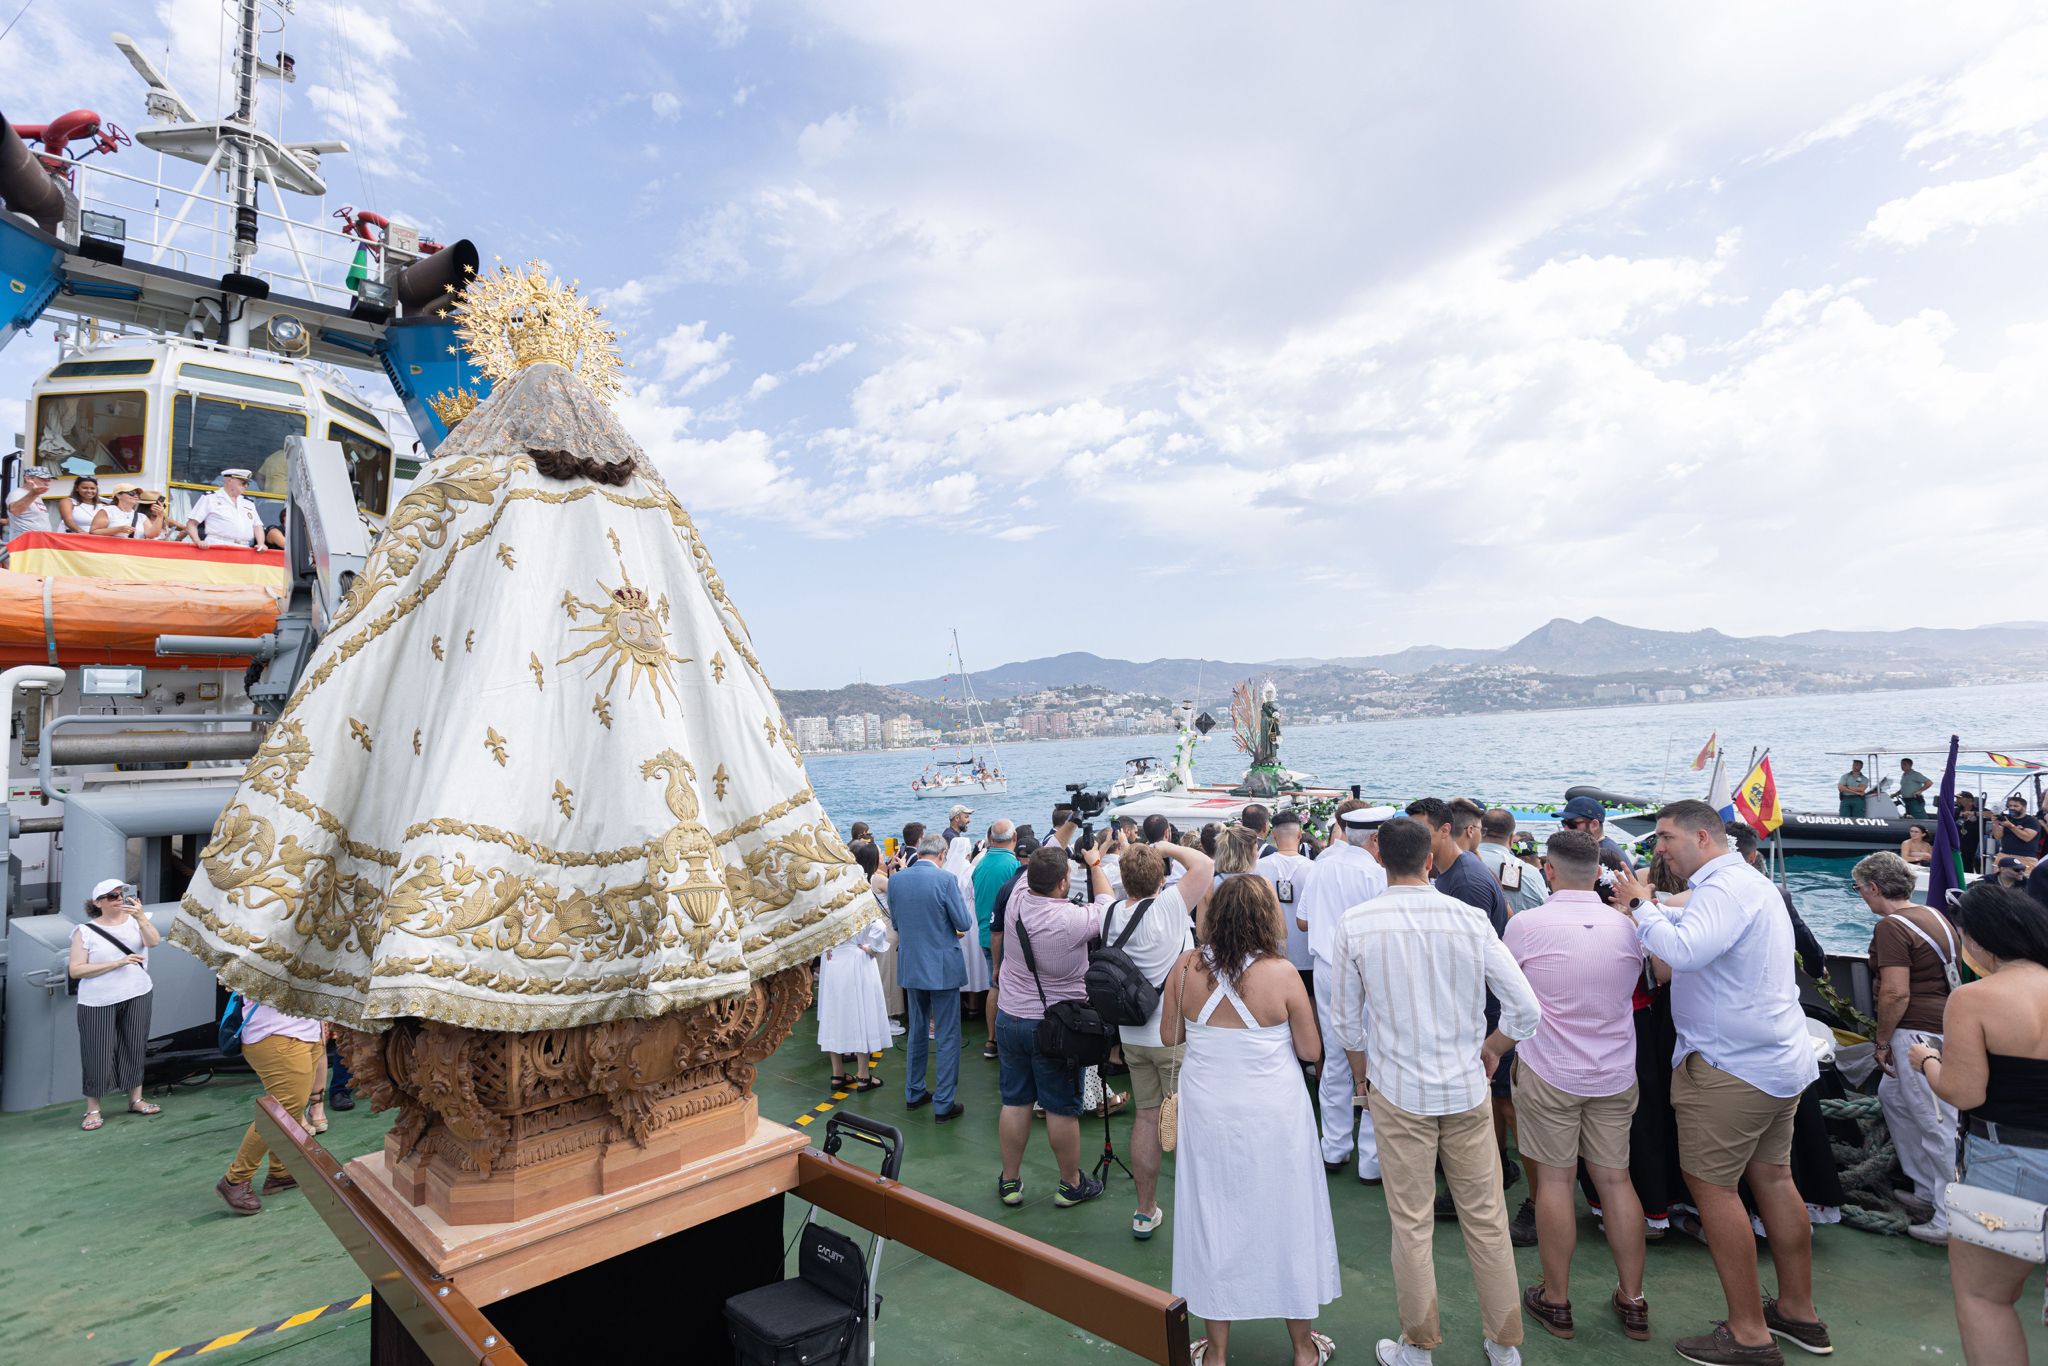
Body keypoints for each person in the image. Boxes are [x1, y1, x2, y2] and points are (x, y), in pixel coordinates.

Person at [1612, 800, 1828, 1365]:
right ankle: (1798, 1312)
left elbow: (1684, 950)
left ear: (1702, 837)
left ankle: (1749, 1334)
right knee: (1776, 1182)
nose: (1657, 848)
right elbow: (1698, 923)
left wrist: (1638, 906)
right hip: (1775, 1061)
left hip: (1730, 1069)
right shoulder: (1747, 882)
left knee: (1713, 1189)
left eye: (1664, 837)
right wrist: (1658, 903)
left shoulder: (1723, 889)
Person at [1331, 816, 1539, 1366]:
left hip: (1398, 1091)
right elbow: (1525, 1009)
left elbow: (1347, 1024)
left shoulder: (1357, 924)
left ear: (1380, 858)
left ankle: (1419, 1347)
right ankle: (1504, 1345)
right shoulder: (1469, 919)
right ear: (1430, 860)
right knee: (1488, 1219)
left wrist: (1361, 1075)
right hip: (1467, 1089)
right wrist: (1494, 1046)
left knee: (1412, 1224)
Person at [1162, 875, 1339, 1366]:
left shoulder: (1185, 967)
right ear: (1266, 918)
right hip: (1274, 1114)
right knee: (1287, 1215)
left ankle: (1216, 1353)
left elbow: (1169, 1033)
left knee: (1211, 1219)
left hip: (1208, 1112)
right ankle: (1303, 1348)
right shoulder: (1282, 974)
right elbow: (1310, 1050)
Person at [1504, 831, 1651, 1343]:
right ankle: (1633, 1301)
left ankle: (1557, 1299)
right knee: (1616, 1181)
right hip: (1613, 1070)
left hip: (1549, 1069)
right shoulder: (1630, 926)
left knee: (1556, 1183)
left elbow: (1510, 997)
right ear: (1599, 872)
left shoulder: (1525, 925)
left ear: (1548, 869)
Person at [1907, 883, 2048, 1365]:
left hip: (2008, 1163)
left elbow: (1964, 1093)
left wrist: (1927, 1060)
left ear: (1980, 940)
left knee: (1987, 1299)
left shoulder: (1975, 999)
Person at [1409, 797, 1521, 1203]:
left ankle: (1487, 1178)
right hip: (1477, 1006)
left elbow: (1467, 956)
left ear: (1445, 829)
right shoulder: (1453, 873)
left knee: (1499, 1098)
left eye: (1422, 831)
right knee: (1494, 1096)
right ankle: (1495, 1169)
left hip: (1484, 1010)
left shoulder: (1466, 881)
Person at [995, 843, 1113, 1209]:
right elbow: (1108, 904)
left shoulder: (1016, 897)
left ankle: (1010, 1181)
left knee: (1015, 1102)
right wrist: (1094, 862)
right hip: (1057, 1027)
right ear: (1064, 883)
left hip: (1011, 1015)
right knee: (1061, 1109)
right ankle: (1070, 1184)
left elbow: (1041, 862)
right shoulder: (1073, 920)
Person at [1105, 839, 1210, 1240]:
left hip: (1131, 1033)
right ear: (1162, 879)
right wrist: (1166, 844)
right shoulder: (1167, 907)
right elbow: (1203, 863)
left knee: (1148, 1118)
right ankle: (1198, 1209)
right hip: (1172, 1033)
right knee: (1185, 1119)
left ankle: (1145, 1210)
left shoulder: (1112, 912)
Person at [1853, 850, 1957, 1245]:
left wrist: (1882, 1041)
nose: (1860, 895)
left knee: (1936, 1122)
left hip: (1916, 1033)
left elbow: (1895, 992)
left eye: (1859, 888)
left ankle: (1948, 1216)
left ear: (1874, 887)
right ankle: (1926, 1189)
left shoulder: (1892, 928)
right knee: (1894, 1098)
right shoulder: (1936, 917)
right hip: (1941, 1027)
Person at [1295, 800, 1390, 1182]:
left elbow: (1302, 921)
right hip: (1366, 971)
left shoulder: (1320, 867)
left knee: (1335, 1057)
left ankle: (1333, 1148)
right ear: (1377, 839)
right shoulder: (1377, 875)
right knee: (1374, 1059)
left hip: (1326, 967)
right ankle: (1371, 1159)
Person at [68, 879, 163, 1132]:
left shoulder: (137, 921)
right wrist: (117, 963)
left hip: (138, 992)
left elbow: (153, 942)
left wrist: (142, 917)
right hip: (97, 1000)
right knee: (97, 1052)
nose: (119, 898)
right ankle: (93, 1109)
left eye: (123, 894)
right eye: (111, 896)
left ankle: (136, 1099)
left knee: (134, 1045)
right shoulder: (84, 931)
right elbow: (76, 970)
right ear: (97, 903)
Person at [889, 833, 973, 1121]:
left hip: (912, 964)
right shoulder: (945, 880)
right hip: (941, 967)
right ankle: (944, 1103)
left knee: (918, 1030)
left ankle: (914, 1092)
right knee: (948, 1035)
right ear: (942, 854)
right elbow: (963, 922)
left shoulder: (897, 880)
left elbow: (897, 922)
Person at [818, 916, 893, 1092]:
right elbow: (879, 926)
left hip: (832, 958)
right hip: (856, 957)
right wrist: (873, 947)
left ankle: (838, 1074)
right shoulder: (856, 889)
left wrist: (826, 946)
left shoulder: (826, 895)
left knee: (833, 1015)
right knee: (862, 1014)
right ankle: (864, 1076)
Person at [971, 821, 1022, 1059]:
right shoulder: (1014, 866)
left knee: (995, 986)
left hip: (985, 934)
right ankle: (1009, 1041)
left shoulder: (979, 866)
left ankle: (991, 1040)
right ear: (1015, 837)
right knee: (1011, 988)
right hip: (1006, 937)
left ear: (991, 838)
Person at [1257, 810, 1317, 994]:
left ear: (1273, 835)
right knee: (1310, 1007)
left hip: (1269, 954)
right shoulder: (1314, 869)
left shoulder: (1257, 868)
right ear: (1300, 835)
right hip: (1307, 956)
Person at [1476, 809, 1548, 915]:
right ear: (1511, 838)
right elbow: (1544, 908)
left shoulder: (1460, 864)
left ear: (1479, 831)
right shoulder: (1531, 873)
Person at [189, 468, 265, 548]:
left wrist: (261, 543)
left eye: (247, 484)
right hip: (218, 545)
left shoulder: (248, 502)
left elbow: (257, 526)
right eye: (243, 483)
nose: (246, 486)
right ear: (229, 480)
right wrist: (197, 541)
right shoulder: (210, 498)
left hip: (244, 547)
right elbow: (191, 524)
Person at [1558, 794, 1634, 868]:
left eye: (1572, 824)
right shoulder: (1599, 848)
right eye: (1564, 823)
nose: (1565, 829)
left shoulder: (1603, 857)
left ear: (1594, 825)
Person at [90, 483, 162, 539]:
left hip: (132, 554)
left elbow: (152, 535)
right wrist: (118, 529)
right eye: (131, 493)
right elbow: (94, 532)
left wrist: (160, 516)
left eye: (138, 494)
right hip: (111, 553)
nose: (136, 496)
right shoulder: (108, 511)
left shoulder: (141, 516)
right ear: (118, 495)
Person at [6, 464, 53, 538]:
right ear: (28, 479)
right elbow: (14, 510)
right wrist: (33, 493)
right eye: (43, 479)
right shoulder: (18, 493)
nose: (47, 483)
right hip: (25, 543)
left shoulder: (36, 496)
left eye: (48, 480)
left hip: (38, 542)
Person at [1993, 795, 2045, 861]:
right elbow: (1997, 836)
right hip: (2004, 854)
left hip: (2025, 857)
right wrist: (1996, 823)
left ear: (2024, 807)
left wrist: (2011, 826)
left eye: (2015, 806)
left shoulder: (2032, 821)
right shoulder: (2006, 818)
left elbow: (2027, 837)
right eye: (2010, 806)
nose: (2012, 808)